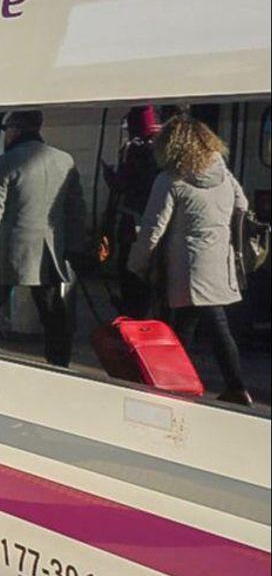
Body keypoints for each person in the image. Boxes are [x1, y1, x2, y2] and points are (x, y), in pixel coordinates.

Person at [130, 114, 253, 405]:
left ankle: (235, 386)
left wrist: (137, 263)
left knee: (211, 324)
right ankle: (171, 381)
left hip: (188, 266)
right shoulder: (223, 174)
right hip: (219, 261)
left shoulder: (170, 179)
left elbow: (152, 228)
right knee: (185, 326)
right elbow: (242, 205)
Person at [0, 109, 85, 368]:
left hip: (8, 251)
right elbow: (76, 210)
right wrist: (75, 247)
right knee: (52, 312)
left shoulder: (4, 163)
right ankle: (59, 360)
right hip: (49, 251)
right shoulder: (65, 161)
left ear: (15, 129)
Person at [101, 105, 162, 316]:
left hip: (132, 221)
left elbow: (122, 185)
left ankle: (132, 312)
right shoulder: (164, 150)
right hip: (156, 221)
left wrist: (109, 174)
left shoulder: (137, 150)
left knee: (128, 269)